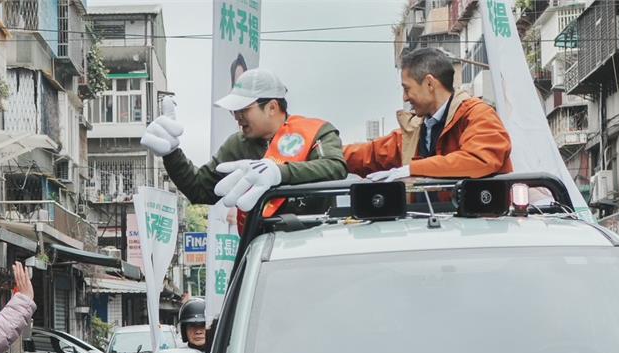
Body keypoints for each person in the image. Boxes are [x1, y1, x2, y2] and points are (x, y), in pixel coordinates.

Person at [140, 68, 347, 224]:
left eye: (243, 110)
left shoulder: (316, 132)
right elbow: (200, 189)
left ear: (272, 107)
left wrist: (280, 173)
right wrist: (172, 153)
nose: (237, 118)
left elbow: (335, 168)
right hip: (260, 249)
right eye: (234, 112)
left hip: (316, 237)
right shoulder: (237, 145)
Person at [344, 47, 513, 182]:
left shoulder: (477, 115)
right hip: (424, 221)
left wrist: (412, 169)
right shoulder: (414, 129)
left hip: (479, 222)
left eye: (406, 88)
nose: (404, 97)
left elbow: (479, 159)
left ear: (430, 83)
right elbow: (370, 154)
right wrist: (324, 151)